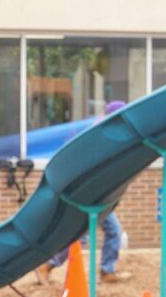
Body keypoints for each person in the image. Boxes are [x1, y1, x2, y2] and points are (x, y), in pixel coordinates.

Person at [36, 100, 132, 284]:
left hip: (99, 195)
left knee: (112, 230)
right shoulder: (102, 136)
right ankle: (46, 265)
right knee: (82, 236)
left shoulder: (108, 135)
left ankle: (107, 270)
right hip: (89, 194)